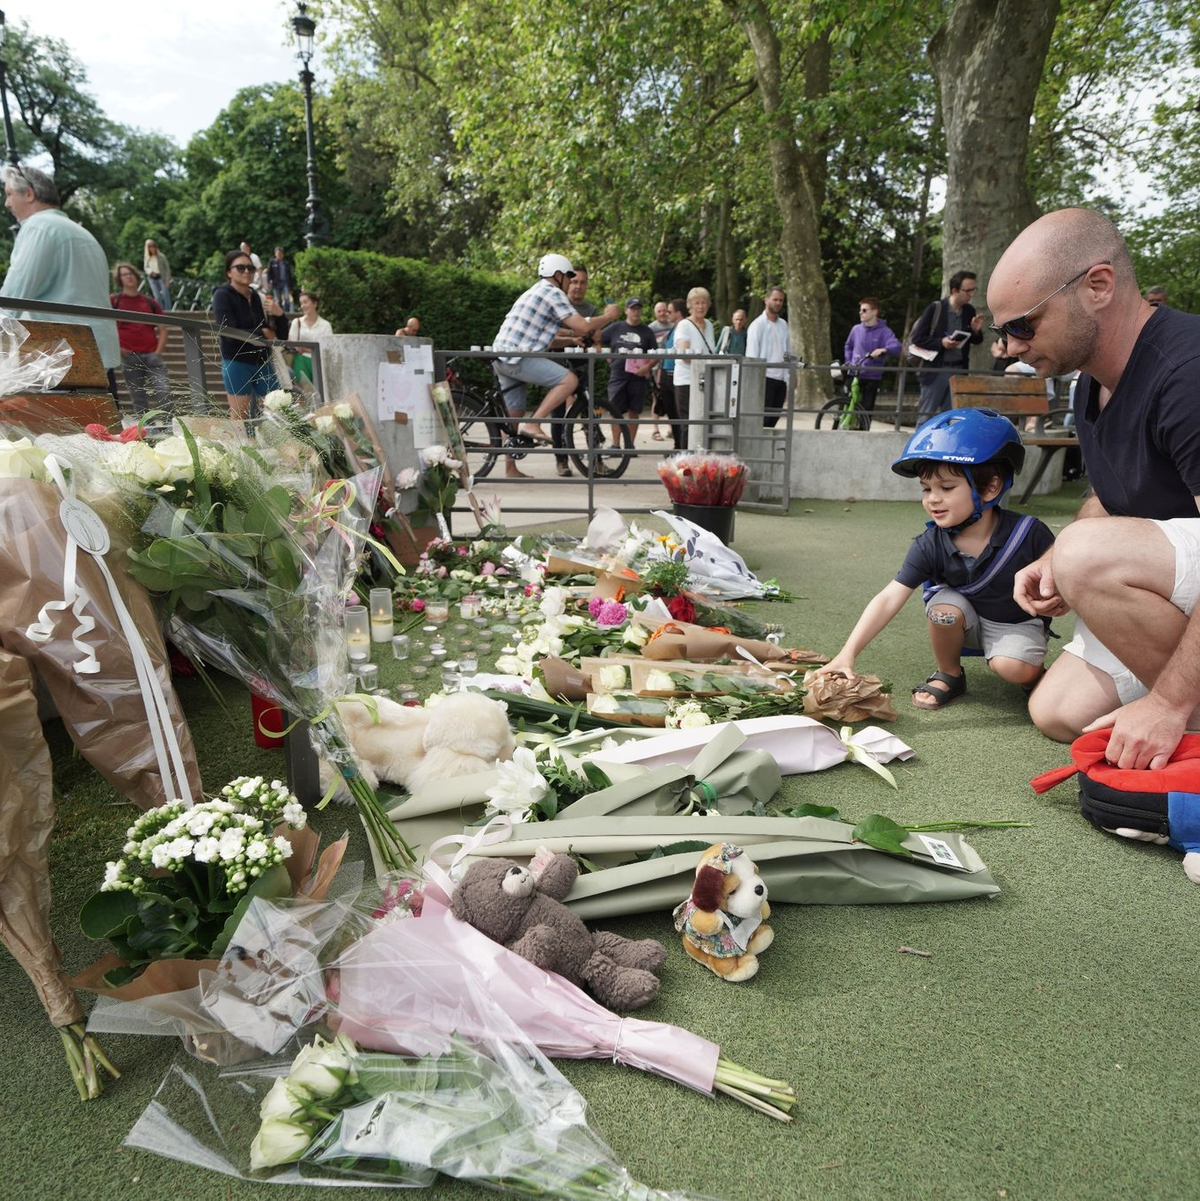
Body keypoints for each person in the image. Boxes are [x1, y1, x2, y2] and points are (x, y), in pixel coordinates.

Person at [989, 208, 1200, 771]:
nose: (1009, 346)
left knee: (1089, 556)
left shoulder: (1189, 371)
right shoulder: (1092, 384)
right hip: (1177, 584)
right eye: (1001, 330)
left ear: (1098, 285)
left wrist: (1168, 700)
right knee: (1059, 711)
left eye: (1022, 325)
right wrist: (1057, 556)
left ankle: (1185, 706)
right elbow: (1114, 494)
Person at [819, 409, 1053, 709]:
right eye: (926, 488)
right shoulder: (929, 544)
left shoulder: (1029, 532)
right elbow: (889, 597)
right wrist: (847, 653)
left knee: (1012, 668)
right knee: (943, 609)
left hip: (1014, 623)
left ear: (991, 487)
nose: (932, 499)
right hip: (962, 620)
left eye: (946, 487)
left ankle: (1035, 679)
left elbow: (1067, 575)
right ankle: (950, 674)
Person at [491, 253, 619, 479]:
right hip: (518, 357)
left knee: (514, 415)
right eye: (569, 276)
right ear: (558, 275)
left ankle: (510, 468)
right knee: (569, 380)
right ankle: (533, 424)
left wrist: (570, 340)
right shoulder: (553, 292)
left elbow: (543, 338)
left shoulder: (535, 291)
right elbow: (581, 325)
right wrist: (608, 316)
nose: (571, 282)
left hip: (503, 356)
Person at [1, 165, 121, 394]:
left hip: (60, 361)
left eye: (9, 194)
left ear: (28, 193)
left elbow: (11, 300)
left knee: (55, 430)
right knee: (100, 428)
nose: (7, 204)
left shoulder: (38, 227)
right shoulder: (81, 232)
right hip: (97, 354)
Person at [212, 248, 284, 420]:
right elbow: (228, 330)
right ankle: (240, 447)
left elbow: (277, 332)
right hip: (237, 361)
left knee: (279, 410)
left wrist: (279, 314)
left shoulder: (256, 297)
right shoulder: (222, 294)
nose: (246, 271)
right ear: (229, 272)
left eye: (250, 268)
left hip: (262, 361)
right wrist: (262, 333)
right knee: (240, 414)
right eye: (240, 268)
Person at [909, 271, 984, 418]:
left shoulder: (969, 311)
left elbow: (976, 341)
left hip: (959, 369)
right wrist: (941, 343)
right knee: (926, 416)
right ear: (955, 290)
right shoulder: (936, 308)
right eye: (968, 290)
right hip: (936, 369)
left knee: (951, 417)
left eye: (974, 290)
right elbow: (918, 338)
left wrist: (975, 331)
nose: (971, 294)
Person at [110, 262, 172, 419]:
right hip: (129, 355)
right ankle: (146, 429)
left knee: (163, 390)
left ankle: (168, 426)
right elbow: (106, 326)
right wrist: (118, 348)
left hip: (151, 354)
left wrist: (158, 352)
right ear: (119, 279)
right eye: (124, 274)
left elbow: (163, 329)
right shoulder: (114, 301)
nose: (129, 277)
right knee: (138, 397)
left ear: (136, 277)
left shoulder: (150, 302)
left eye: (131, 273)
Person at [599, 297, 657, 451]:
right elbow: (596, 339)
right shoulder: (615, 328)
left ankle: (629, 446)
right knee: (615, 410)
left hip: (638, 376)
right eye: (632, 308)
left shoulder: (647, 332)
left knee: (634, 411)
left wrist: (648, 366)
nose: (636, 311)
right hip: (618, 374)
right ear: (626, 310)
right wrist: (606, 356)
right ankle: (615, 445)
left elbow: (657, 354)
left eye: (638, 308)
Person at [842, 298, 902, 427]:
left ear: (875, 312)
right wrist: (848, 361)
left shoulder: (884, 331)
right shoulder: (856, 329)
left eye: (864, 310)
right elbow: (848, 346)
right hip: (854, 373)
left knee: (866, 409)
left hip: (872, 376)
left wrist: (883, 349)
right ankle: (838, 428)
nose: (860, 313)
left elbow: (896, 347)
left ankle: (863, 433)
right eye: (860, 310)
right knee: (845, 404)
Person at [672, 286, 716, 449]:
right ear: (690, 305)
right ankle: (686, 462)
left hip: (705, 380)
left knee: (704, 423)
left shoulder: (709, 325)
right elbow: (685, 356)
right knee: (688, 424)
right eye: (697, 303)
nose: (701, 306)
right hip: (686, 381)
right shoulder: (684, 325)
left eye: (704, 303)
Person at [745, 286, 790, 428]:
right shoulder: (757, 325)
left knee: (774, 418)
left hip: (780, 378)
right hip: (765, 378)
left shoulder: (783, 324)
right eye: (775, 299)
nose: (778, 303)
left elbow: (787, 350)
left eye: (781, 300)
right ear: (766, 300)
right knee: (762, 419)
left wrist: (791, 374)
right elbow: (752, 355)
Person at [657, 298, 686, 449]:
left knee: (679, 413)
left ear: (678, 313)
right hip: (666, 375)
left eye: (670, 311)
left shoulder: (684, 329)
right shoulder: (671, 330)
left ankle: (682, 446)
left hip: (677, 375)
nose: (667, 314)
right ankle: (677, 445)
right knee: (671, 414)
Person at [288, 290, 333, 385]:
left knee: (319, 391)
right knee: (303, 392)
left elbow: (328, 348)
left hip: (319, 362)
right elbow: (291, 343)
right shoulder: (297, 322)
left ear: (315, 303)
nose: (302, 306)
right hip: (301, 360)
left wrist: (306, 349)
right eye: (301, 303)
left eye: (305, 302)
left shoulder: (325, 325)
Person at [648, 301, 672, 440]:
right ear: (655, 313)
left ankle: (671, 429)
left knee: (671, 398)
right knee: (657, 398)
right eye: (659, 311)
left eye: (665, 310)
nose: (663, 313)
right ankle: (655, 430)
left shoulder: (674, 326)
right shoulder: (651, 328)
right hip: (656, 367)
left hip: (669, 366)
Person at [143, 238, 172, 310]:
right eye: (149, 247)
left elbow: (167, 268)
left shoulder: (161, 256)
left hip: (162, 277)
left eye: (153, 246)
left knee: (166, 295)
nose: (152, 248)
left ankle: (169, 311)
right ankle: (160, 311)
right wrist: (150, 272)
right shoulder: (147, 257)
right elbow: (145, 267)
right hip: (152, 278)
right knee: (157, 296)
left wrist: (168, 279)